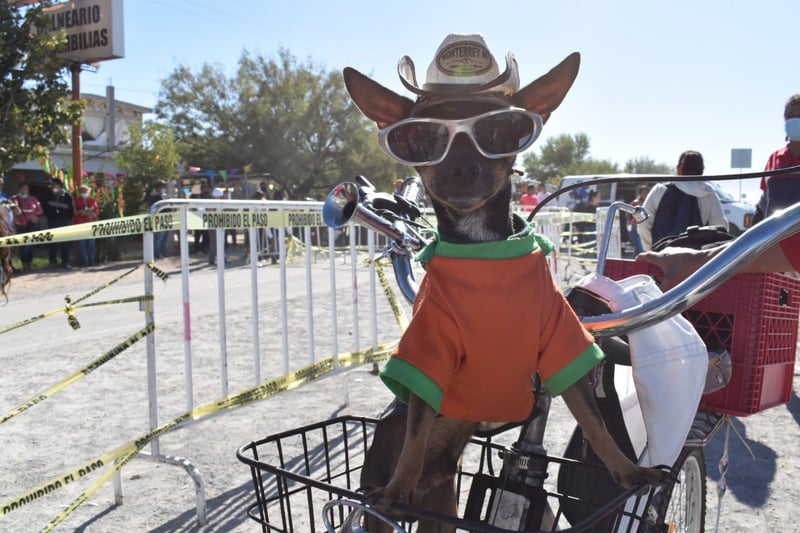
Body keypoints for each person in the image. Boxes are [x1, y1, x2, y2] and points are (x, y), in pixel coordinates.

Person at [637, 151, 728, 251]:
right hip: (694, 260)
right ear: (702, 170)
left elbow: (642, 223)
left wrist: (650, 249)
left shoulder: (659, 190)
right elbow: (720, 227)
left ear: (678, 168)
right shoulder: (708, 194)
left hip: (662, 258)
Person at [11, 183, 43, 273]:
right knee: (25, 246)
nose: (24, 190)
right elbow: (12, 210)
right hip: (21, 225)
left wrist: (32, 212)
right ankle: (24, 265)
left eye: (26, 189)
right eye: (23, 189)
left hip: (32, 225)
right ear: (19, 189)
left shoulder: (33, 199)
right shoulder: (14, 199)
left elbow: (40, 211)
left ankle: (30, 265)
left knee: (31, 246)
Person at [43, 178, 75, 268]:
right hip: (52, 221)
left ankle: (65, 261)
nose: (53, 187)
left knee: (65, 243)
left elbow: (71, 210)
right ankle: (52, 261)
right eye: (52, 185)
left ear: (60, 186)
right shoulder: (48, 195)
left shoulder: (67, 196)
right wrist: (49, 216)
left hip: (64, 221)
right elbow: (44, 207)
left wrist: (68, 220)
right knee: (53, 242)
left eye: (55, 185)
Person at [73, 184, 100, 267]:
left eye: (85, 191)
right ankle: (84, 262)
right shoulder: (76, 201)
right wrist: (81, 211)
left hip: (91, 226)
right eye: (82, 191)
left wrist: (88, 213)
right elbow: (74, 213)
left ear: (89, 192)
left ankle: (91, 261)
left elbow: (96, 213)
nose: (84, 193)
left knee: (91, 244)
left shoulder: (92, 201)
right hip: (80, 225)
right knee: (82, 245)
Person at [147, 180, 169, 259]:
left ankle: (163, 252)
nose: (163, 188)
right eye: (162, 186)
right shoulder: (155, 196)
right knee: (158, 237)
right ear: (158, 187)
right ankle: (156, 253)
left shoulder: (164, 195)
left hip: (166, 218)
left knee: (164, 237)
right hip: (159, 219)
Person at [627, 185, 650, 256]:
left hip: (646, 228)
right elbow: (628, 213)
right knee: (640, 248)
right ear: (639, 193)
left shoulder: (649, 202)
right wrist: (631, 222)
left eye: (647, 192)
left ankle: (634, 263)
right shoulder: (635, 203)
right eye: (643, 192)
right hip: (636, 228)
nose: (645, 194)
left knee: (639, 249)